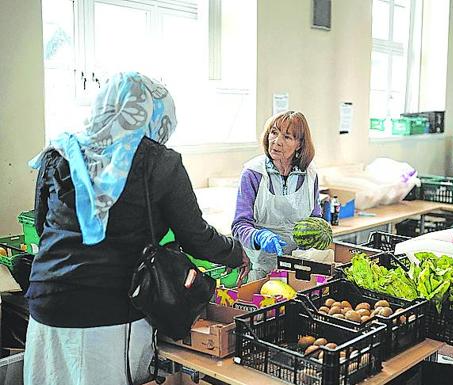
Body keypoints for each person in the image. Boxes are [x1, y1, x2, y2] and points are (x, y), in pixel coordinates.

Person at [23, 72, 250, 385]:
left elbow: (41, 223)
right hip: (108, 314)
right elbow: (195, 236)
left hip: (46, 304)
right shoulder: (159, 163)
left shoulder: (60, 152)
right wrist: (236, 253)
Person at [232, 111, 320, 281]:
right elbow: (239, 225)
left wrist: (315, 238)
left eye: (287, 137)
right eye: (274, 133)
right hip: (260, 267)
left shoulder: (310, 174)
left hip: (298, 267)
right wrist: (258, 236)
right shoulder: (253, 173)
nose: (276, 141)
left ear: (299, 145)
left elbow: (315, 219)